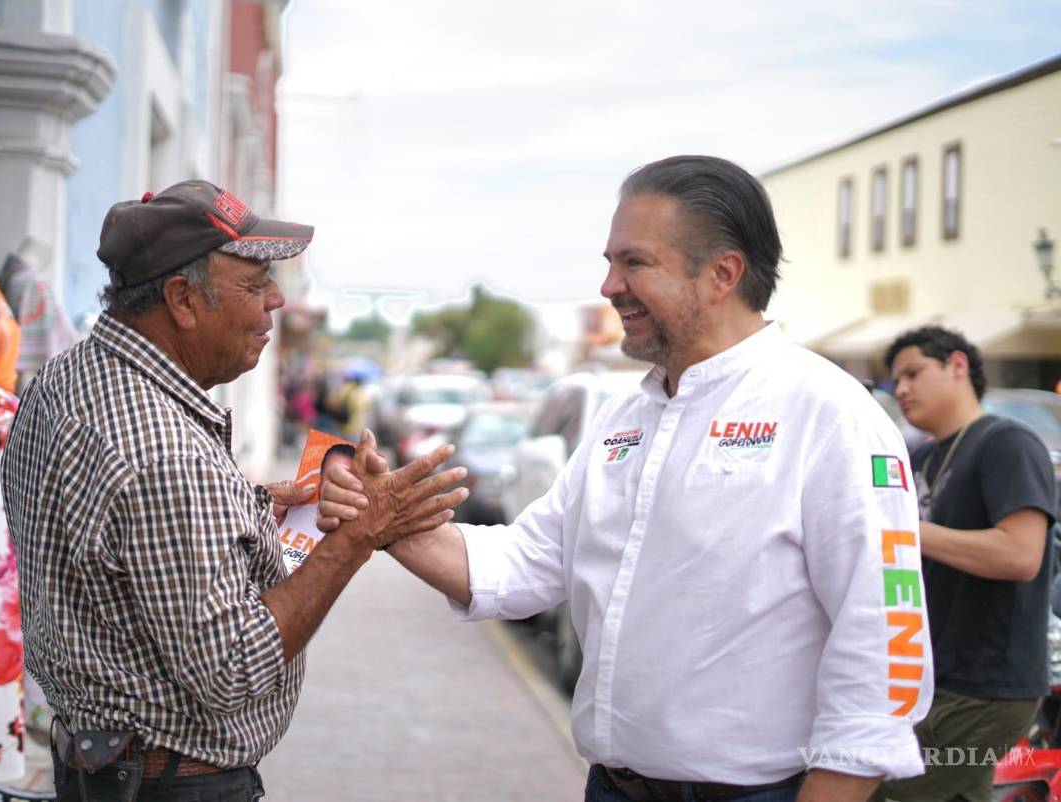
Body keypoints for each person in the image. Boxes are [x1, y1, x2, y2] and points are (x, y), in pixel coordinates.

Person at [320, 156, 932, 802]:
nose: (609, 286)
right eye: (610, 261)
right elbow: (528, 562)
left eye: (635, 263)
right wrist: (385, 522)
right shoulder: (628, 415)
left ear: (723, 274)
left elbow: (883, 648)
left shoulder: (829, 414)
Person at [0, 180, 467, 802]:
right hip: (169, 784)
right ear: (182, 299)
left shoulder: (72, 375)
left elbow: (123, 542)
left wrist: (264, 504)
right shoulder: (163, 450)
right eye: (253, 285)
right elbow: (232, 669)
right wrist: (357, 537)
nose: (275, 300)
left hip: (110, 766)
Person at [870, 326, 1057, 802]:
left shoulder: (1007, 442)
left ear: (957, 365)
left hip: (986, 684)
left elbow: (1020, 555)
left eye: (913, 372)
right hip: (929, 676)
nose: (902, 389)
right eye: (896, 381)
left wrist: (907, 531)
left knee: (894, 793)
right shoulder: (920, 455)